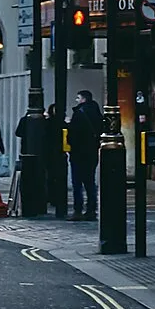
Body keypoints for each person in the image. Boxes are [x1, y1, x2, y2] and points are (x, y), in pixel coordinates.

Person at [68, 90, 102, 221]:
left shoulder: (79, 113)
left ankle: (78, 210)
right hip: (92, 152)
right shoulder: (97, 113)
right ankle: (91, 210)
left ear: (83, 99)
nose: (76, 100)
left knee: (77, 183)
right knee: (90, 182)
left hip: (78, 153)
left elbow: (73, 135)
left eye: (78, 98)